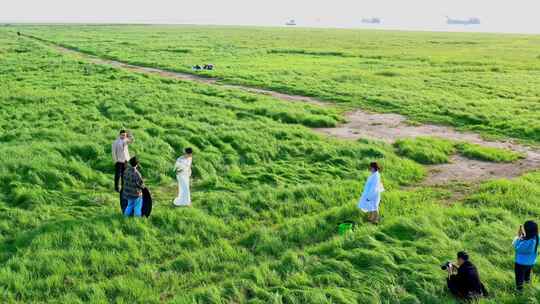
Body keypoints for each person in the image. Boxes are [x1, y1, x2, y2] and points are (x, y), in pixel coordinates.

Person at [514, 220, 539, 291]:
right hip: (531, 262)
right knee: (527, 276)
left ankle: (519, 291)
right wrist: (523, 236)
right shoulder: (537, 238)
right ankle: (527, 285)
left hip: (521, 264)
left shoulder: (526, 243)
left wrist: (518, 237)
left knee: (519, 278)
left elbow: (516, 247)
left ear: (526, 231)